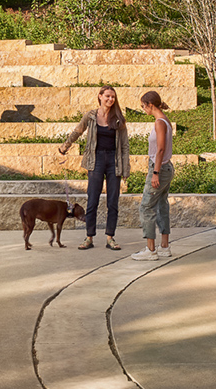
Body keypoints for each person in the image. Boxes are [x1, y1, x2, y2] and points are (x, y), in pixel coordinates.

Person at [58, 86, 130, 250]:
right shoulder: (91, 116)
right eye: (107, 96)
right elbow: (78, 131)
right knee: (92, 200)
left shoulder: (119, 118)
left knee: (113, 201)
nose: (110, 99)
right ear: (100, 97)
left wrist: (126, 168)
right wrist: (65, 146)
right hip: (95, 160)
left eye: (113, 97)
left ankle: (110, 238)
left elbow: (125, 145)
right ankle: (89, 237)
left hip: (114, 161)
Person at [132, 91, 174, 261]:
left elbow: (161, 149)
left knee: (146, 207)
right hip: (165, 168)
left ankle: (150, 250)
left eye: (143, 106)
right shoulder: (165, 119)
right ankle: (164, 247)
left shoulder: (159, 122)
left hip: (160, 169)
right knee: (161, 206)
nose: (143, 109)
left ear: (150, 104)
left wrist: (155, 172)